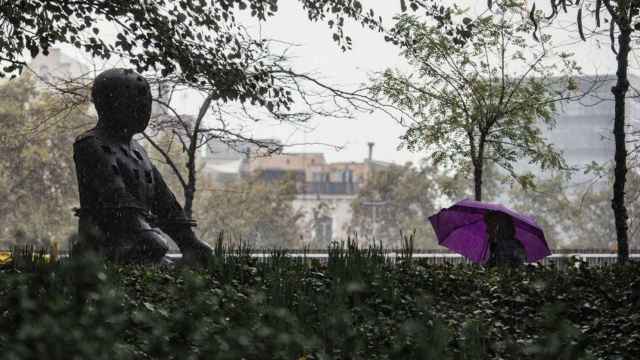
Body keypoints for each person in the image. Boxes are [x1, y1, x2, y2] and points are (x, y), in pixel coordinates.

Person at [73, 68, 213, 264]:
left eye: (146, 101)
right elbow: (117, 199)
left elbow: (165, 202)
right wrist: (148, 233)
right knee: (158, 252)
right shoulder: (90, 144)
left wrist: (188, 240)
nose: (143, 108)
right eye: (134, 100)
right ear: (110, 103)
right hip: (105, 252)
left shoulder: (138, 150)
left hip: (142, 244)